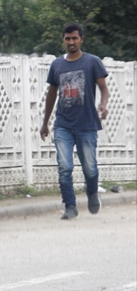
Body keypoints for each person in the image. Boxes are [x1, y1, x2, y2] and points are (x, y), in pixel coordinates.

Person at [40, 24, 109, 220]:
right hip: (63, 125)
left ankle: (92, 191)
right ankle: (70, 206)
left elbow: (104, 89)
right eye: (67, 39)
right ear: (63, 40)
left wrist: (103, 105)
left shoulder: (92, 62)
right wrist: (45, 123)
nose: (71, 42)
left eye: (74, 38)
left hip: (87, 124)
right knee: (64, 166)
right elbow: (51, 94)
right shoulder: (57, 65)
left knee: (90, 167)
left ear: (81, 39)